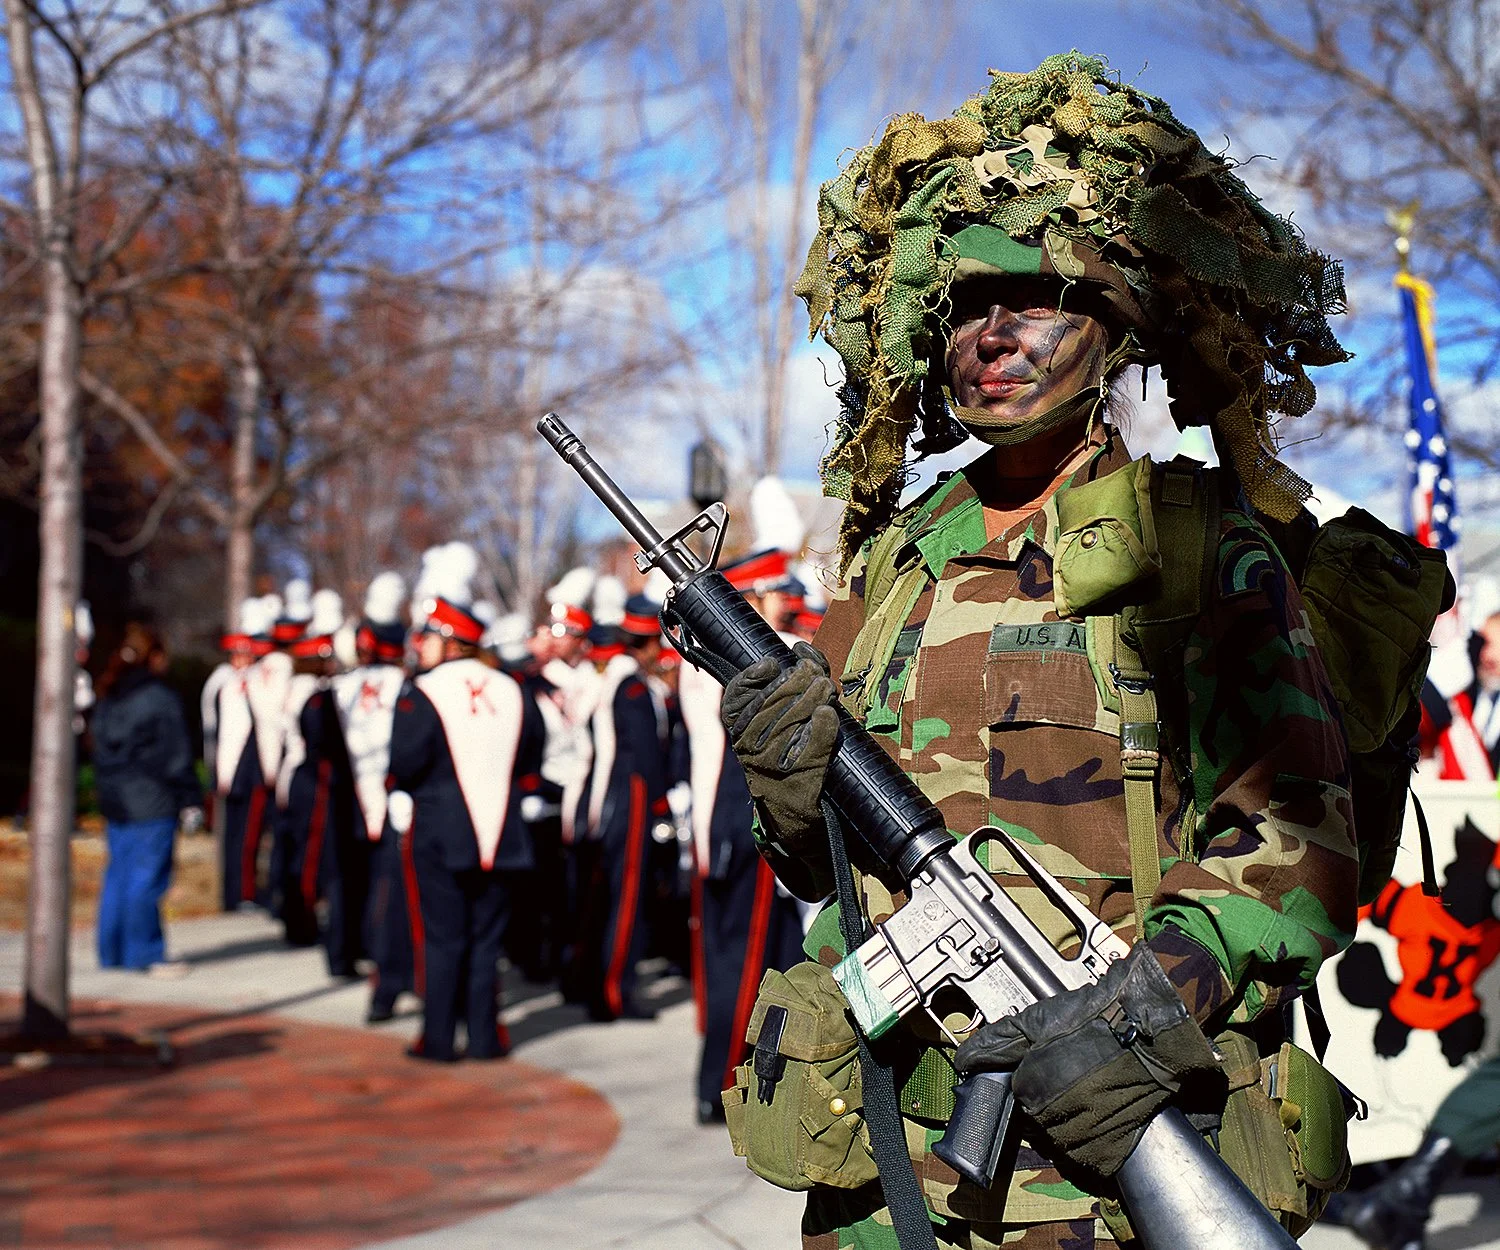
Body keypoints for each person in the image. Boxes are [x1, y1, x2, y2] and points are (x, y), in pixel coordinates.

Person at [721, 53, 1358, 1247]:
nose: (995, 334)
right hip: (882, 1161)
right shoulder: (891, 561)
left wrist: (1137, 1012)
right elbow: (813, 860)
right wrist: (783, 789)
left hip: (1101, 1160)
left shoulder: (1194, 549)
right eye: (965, 305)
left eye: (1037, 295)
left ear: (1115, 329)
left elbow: (1299, 841)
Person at [390, 543, 534, 1061]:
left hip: (440, 830)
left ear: (450, 641)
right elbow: (530, 754)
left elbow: (405, 761)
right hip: (503, 832)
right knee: (485, 941)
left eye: (428, 634)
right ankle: (482, 1035)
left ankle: (437, 1038)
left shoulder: (420, 691)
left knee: (444, 937)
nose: (419, 643)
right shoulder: (514, 688)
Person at [680, 549, 809, 1125]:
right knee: (745, 962)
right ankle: (725, 1082)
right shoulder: (728, 658)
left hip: (731, 820)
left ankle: (758, 1080)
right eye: (776, 591)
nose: (786, 601)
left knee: (775, 960)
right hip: (744, 816)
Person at [571, 592, 671, 1021]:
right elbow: (646, 753)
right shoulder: (631, 687)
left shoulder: (619, 680)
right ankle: (614, 991)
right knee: (625, 899)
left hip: (618, 795)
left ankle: (604, 985)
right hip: (630, 797)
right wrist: (661, 803)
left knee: (613, 897)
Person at [91, 623, 203, 972]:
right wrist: (190, 798)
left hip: (116, 797)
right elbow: (176, 755)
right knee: (146, 877)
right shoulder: (158, 698)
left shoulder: (110, 693)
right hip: (150, 799)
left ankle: (113, 951)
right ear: (154, 656)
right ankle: (144, 953)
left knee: (120, 875)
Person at [333, 571, 412, 1021]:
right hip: (390, 801)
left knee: (370, 894)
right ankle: (391, 982)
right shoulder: (404, 687)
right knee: (390, 898)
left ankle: (382, 979)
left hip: (357, 803)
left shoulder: (343, 688)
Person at [272, 588, 342, 948]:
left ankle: (298, 917)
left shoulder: (297, 684)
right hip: (308, 774)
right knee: (309, 853)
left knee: (299, 849)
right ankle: (301, 920)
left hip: (295, 772)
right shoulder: (308, 690)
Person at [219, 596, 276, 909]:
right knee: (243, 835)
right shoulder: (231, 683)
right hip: (245, 768)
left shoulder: (247, 681)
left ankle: (243, 891)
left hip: (248, 765)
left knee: (249, 833)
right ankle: (241, 892)